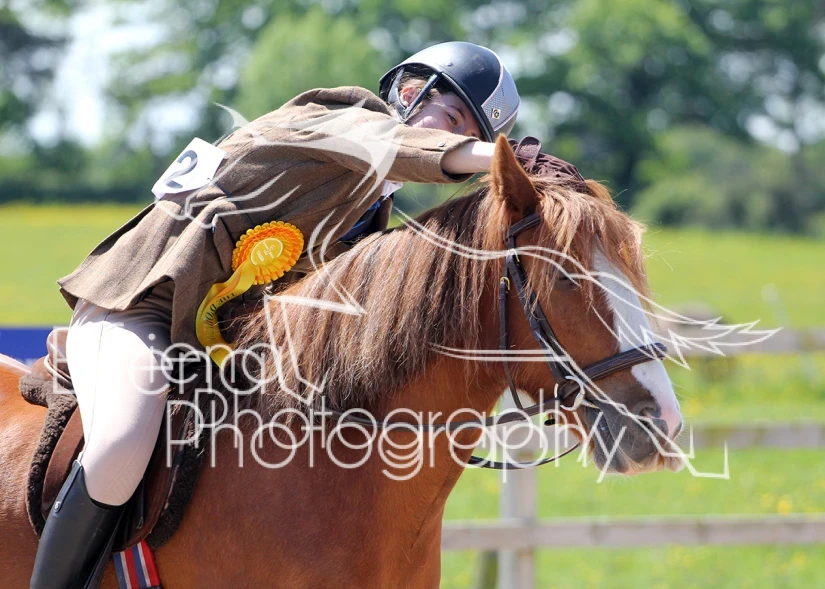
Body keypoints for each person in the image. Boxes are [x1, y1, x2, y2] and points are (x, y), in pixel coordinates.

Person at [30, 41, 520, 588]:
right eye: (452, 119)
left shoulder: (369, 210)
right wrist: (503, 159)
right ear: (410, 92)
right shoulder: (338, 116)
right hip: (142, 307)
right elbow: (397, 144)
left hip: (221, 348)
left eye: (471, 133)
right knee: (120, 448)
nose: (459, 139)